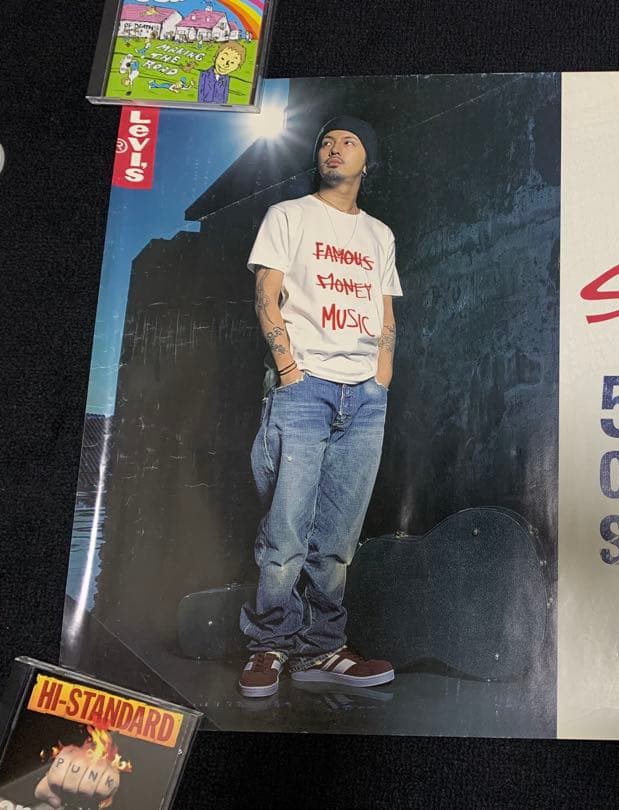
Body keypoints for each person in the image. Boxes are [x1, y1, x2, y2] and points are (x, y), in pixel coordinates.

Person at [237, 116, 401, 698]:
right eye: (326, 142)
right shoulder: (288, 216)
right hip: (304, 387)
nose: (334, 149)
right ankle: (269, 645)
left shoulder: (379, 234)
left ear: (366, 161)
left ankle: (321, 649)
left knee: (337, 538)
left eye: (348, 142)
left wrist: (381, 378)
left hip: (365, 396)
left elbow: (386, 311)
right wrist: (288, 369)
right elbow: (266, 294)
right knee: (286, 533)